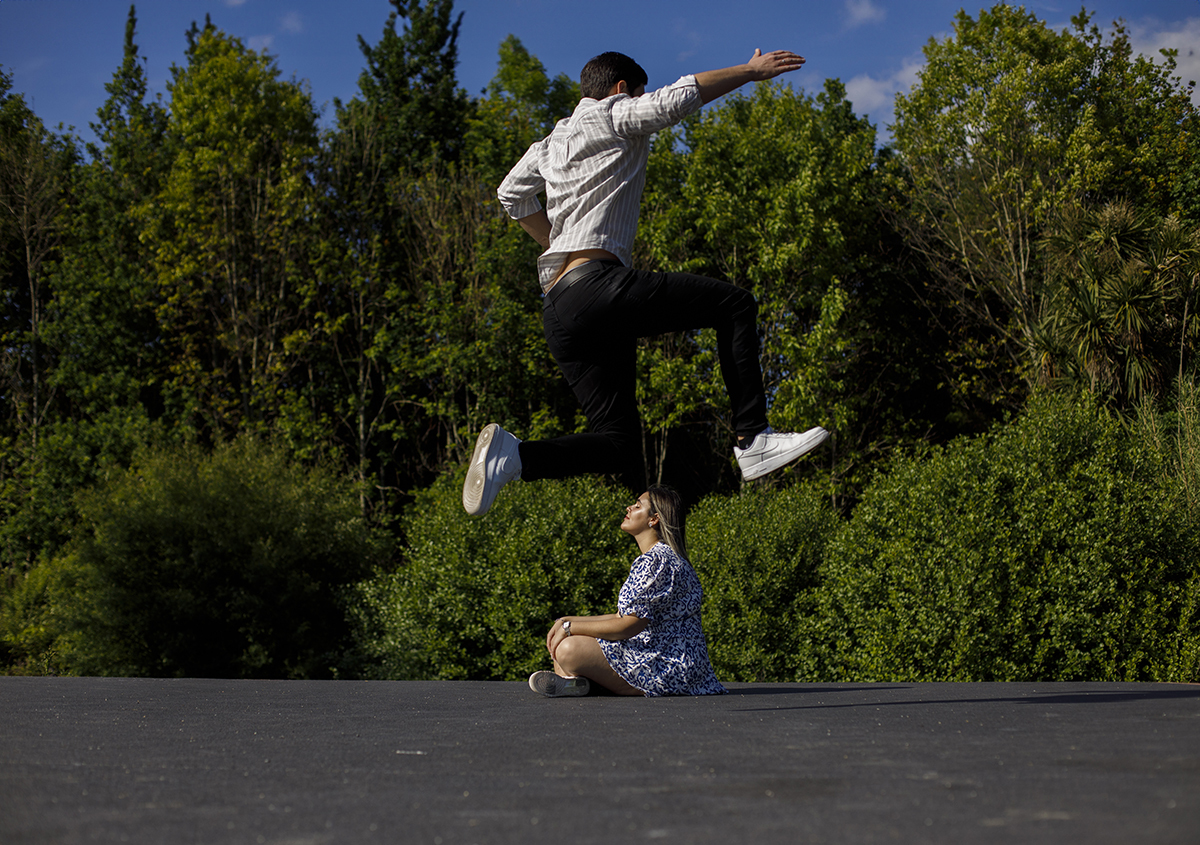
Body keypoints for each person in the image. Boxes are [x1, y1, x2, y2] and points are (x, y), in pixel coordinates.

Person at [463, 48, 829, 517]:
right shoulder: (613, 114)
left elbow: (510, 194)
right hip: (597, 290)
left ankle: (515, 458)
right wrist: (749, 71)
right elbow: (675, 99)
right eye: (637, 93)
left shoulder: (550, 144)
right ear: (621, 89)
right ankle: (753, 438)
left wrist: (557, 241)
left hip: (559, 308)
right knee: (734, 305)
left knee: (617, 443)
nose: (640, 100)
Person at [528, 485, 725, 697]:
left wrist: (570, 628)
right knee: (562, 637)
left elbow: (629, 625)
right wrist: (566, 621)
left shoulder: (656, 561)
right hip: (684, 667)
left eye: (638, 506)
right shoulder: (667, 557)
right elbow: (621, 617)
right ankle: (578, 684)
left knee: (568, 649)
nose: (629, 508)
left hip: (666, 667)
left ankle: (583, 683)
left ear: (654, 519)